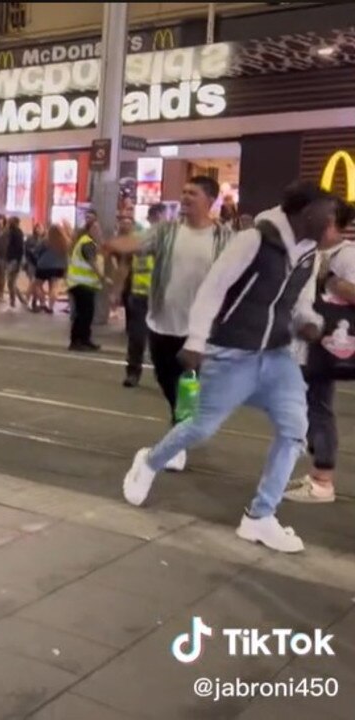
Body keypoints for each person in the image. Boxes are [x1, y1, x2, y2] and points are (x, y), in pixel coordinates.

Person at [122, 183, 347, 554]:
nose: (335, 225)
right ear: (307, 212)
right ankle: (149, 462)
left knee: (295, 431)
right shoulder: (253, 240)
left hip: (277, 357)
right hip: (232, 353)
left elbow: (301, 303)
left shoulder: (310, 255)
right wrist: (195, 342)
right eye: (331, 216)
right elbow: (213, 288)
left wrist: (308, 322)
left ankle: (259, 517)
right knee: (200, 427)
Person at [105, 176, 234, 471]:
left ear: (210, 200)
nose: (185, 197)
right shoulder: (165, 232)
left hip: (199, 331)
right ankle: (183, 420)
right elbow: (135, 243)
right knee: (166, 380)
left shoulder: (225, 239)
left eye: (193, 193)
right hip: (161, 323)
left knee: (188, 384)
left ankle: (178, 437)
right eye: (184, 191)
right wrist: (111, 243)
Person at [285, 213, 355, 504]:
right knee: (309, 407)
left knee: (319, 408)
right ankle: (316, 473)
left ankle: (322, 480)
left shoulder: (346, 256)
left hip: (326, 345)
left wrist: (329, 279)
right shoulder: (314, 252)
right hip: (309, 346)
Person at [120, 205, 165, 387]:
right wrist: (119, 288)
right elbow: (126, 263)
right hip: (140, 296)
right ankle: (133, 372)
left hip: (162, 298)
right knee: (137, 337)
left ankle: (163, 375)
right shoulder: (140, 240)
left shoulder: (169, 241)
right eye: (155, 218)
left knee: (162, 340)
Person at [66, 215, 106, 351]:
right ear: (88, 230)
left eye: (99, 228)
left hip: (83, 284)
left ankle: (83, 340)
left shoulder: (89, 242)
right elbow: (92, 262)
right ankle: (78, 341)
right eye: (95, 228)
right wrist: (103, 277)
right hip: (82, 284)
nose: (98, 231)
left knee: (85, 314)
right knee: (84, 315)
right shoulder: (87, 243)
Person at [4, 216, 26, 309]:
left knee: (11, 281)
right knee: (11, 281)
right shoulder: (11, 232)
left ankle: (16, 299)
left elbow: (19, 248)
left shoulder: (16, 233)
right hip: (11, 259)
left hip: (14, 260)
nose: (8, 223)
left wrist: (18, 261)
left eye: (10, 222)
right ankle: (17, 299)